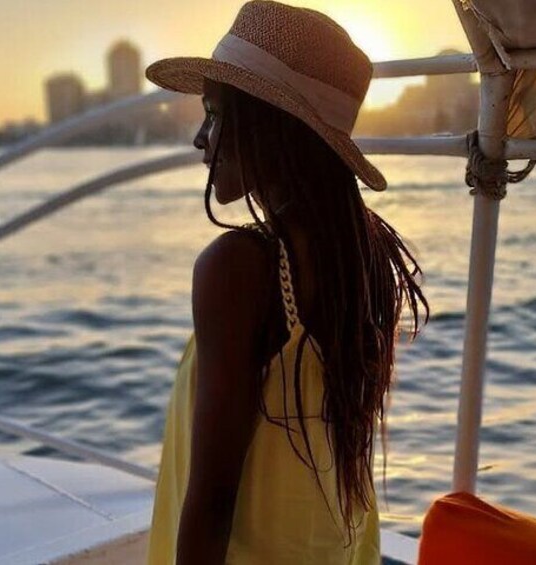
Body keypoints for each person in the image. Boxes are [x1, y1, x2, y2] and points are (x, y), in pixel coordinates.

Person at [144, 2, 429, 563]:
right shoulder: (366, 252)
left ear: (272, 127)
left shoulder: (237, 268)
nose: (201, 138)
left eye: (216, 115)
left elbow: (213, 499)